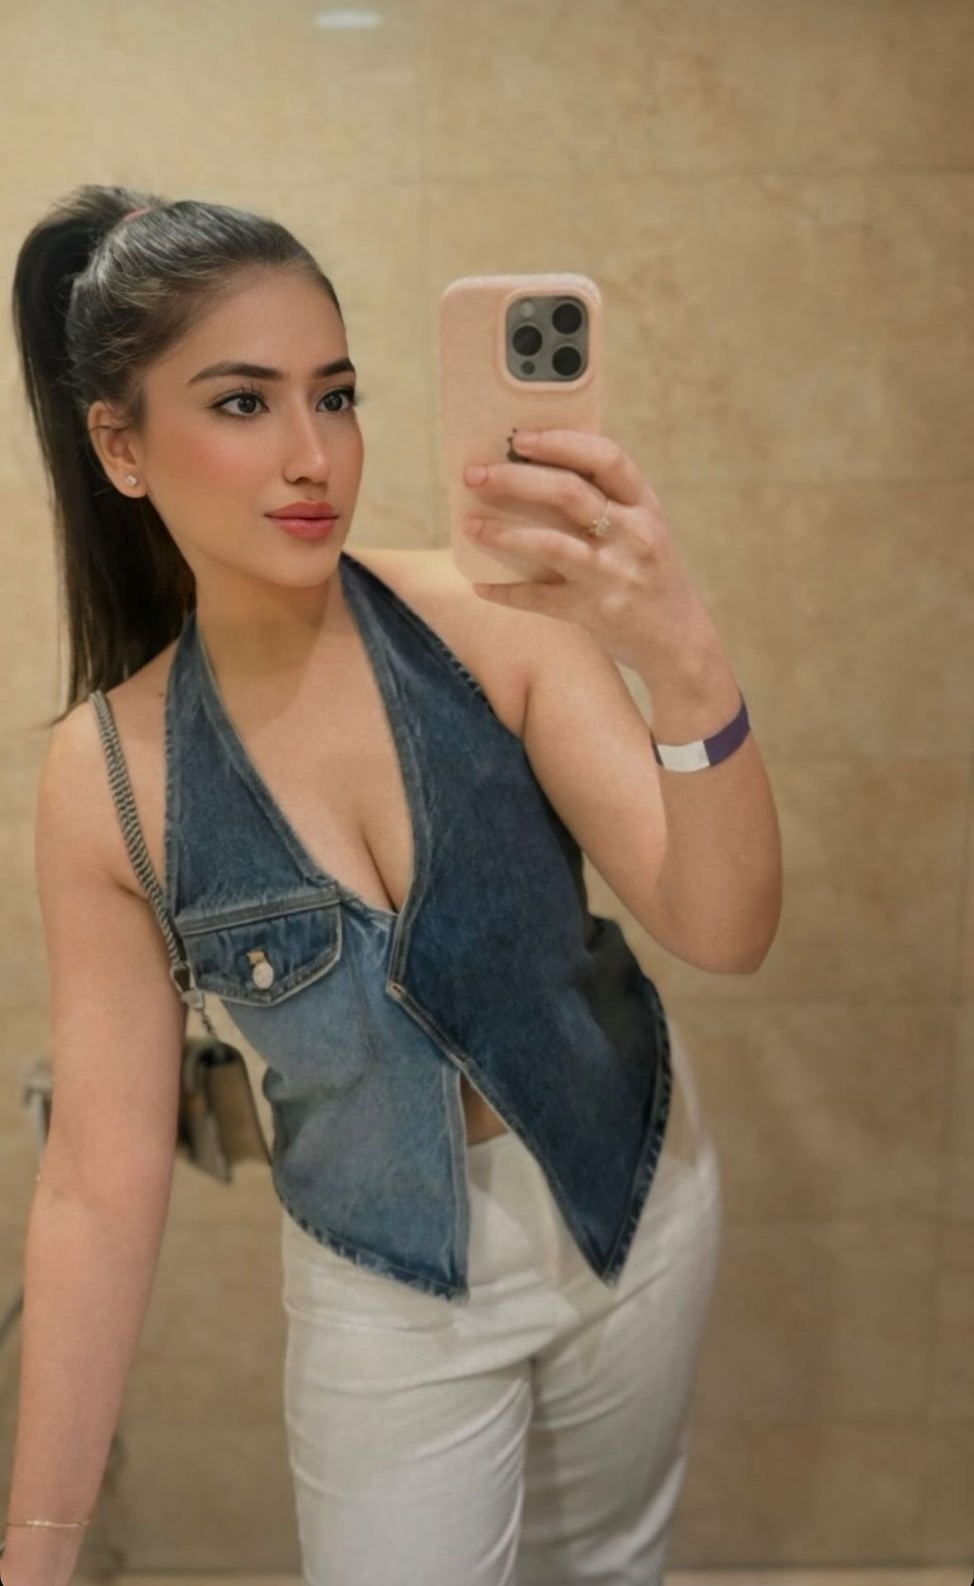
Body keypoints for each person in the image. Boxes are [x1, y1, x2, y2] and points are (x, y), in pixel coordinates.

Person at [3, 184, 776, 1586]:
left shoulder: (492, 626)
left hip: (633, 1201)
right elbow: (98, 1188)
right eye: (245, 404)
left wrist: (677, 649)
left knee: (609, 1569)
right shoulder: (108, 777)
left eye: (337, 396)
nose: (314, 456)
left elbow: (723, 928)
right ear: (120, 444)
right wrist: (37, 1545)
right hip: (383, 1281)